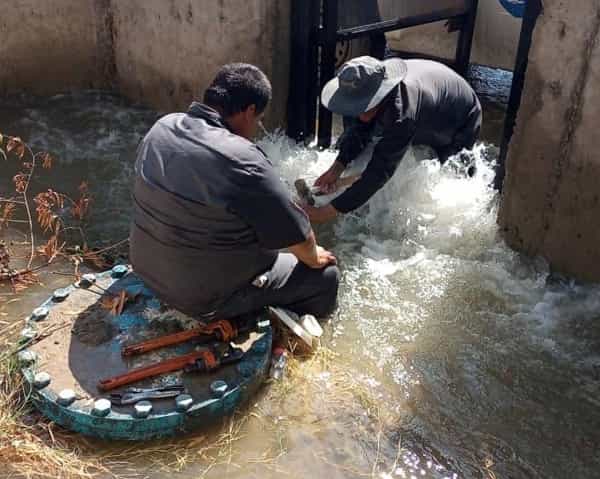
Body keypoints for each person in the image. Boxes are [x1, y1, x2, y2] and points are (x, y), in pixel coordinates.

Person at [129, 63, 339, 320]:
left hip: (147, 271)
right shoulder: (243, 159)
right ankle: (294, 334)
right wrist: (314, 257)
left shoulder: (162, 126)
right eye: (258, 120)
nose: (255, 128)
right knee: (326, 276)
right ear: (249, 111)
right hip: (201, 299)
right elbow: (298, 236)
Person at [304, 56, 482, 223]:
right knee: (369, 146)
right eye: (356, 106)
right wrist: (337, 168)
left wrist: (323, 213)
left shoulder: (402, 115)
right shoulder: (365, 84)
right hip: (429, 101)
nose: (361, 113)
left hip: (460, 117)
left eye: (365, 106)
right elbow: (358, 131)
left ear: (381, 94)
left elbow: (378, 173)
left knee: (448, 177)